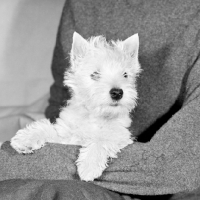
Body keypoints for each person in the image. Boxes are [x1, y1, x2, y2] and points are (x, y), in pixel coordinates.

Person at [1, 0, 200, 199]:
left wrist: (99, 149)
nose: (116, 88)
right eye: (95, 75)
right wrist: (40, 136)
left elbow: (176, 166)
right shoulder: (79, 6)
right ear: (74, 72)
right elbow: (57, 118)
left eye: (124, 76)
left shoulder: (193, 13)